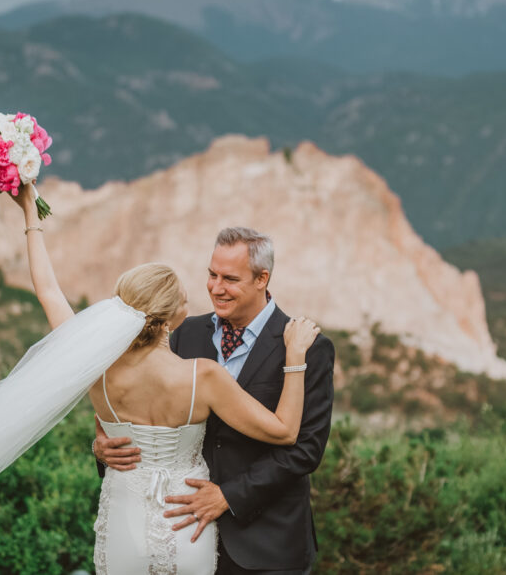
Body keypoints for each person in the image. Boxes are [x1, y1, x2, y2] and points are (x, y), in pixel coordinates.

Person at [0, 186, 321, 575]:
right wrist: (295, 358)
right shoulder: (200, 375)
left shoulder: (95, 364)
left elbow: (48, 292)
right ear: (173, 316)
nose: (211, 290)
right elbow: (284, 431)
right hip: (185, 525)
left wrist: (30, 220)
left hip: (125, 522)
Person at [94, 227, 336, 574]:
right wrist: (104, 449)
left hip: (267, 544)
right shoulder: (184, 333)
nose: (216, 288)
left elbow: (305, 449)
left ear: (261, 279)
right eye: (211, 274)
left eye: (230, 279)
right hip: (185, 536)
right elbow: (153, 413)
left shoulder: (306, 346)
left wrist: (228, 496)